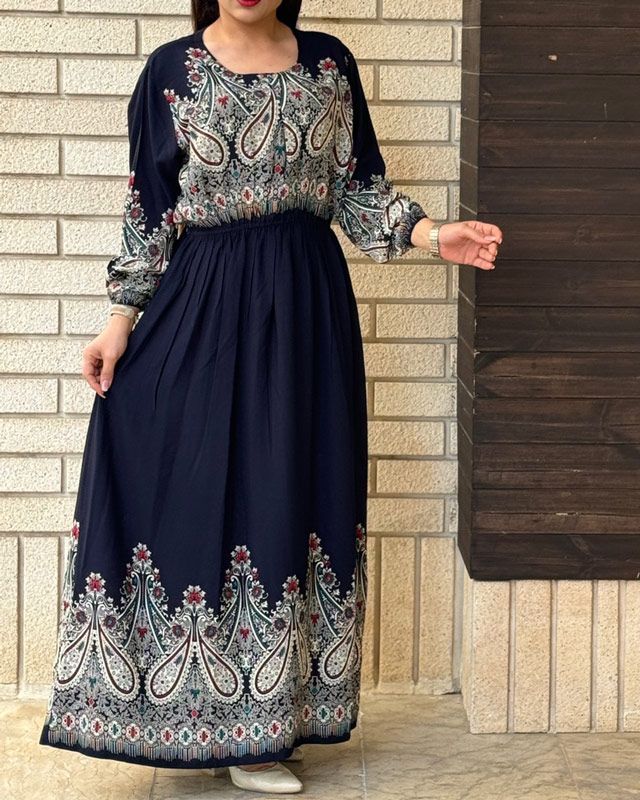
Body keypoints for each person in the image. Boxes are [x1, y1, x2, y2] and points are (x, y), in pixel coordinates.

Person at [38, 0, 502, 794]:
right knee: (192, 486)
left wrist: (434, 236)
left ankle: (263, 728)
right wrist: (118, 324)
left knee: (287, 493)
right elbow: (148, 213)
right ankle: (195, 718)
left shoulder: (328, 63)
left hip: (306, 311)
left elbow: (359, 191)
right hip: (202, 307)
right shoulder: (171, 72)